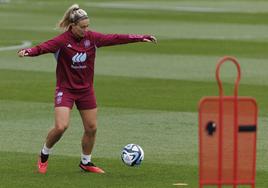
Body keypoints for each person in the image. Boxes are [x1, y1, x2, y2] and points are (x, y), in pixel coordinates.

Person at [17, 4, 157, 174]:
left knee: (91, 128)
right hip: (66, 90)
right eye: (82, 27)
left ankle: (86, 162)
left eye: (87, 26)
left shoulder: (92, 38)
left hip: (86, 91)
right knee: (61, 126)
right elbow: (42, 47)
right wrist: (28, 51)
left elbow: (115, 38)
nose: (86, 30)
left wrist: (140, 37)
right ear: (73, 26)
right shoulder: (62, 41)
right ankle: (44, 154)